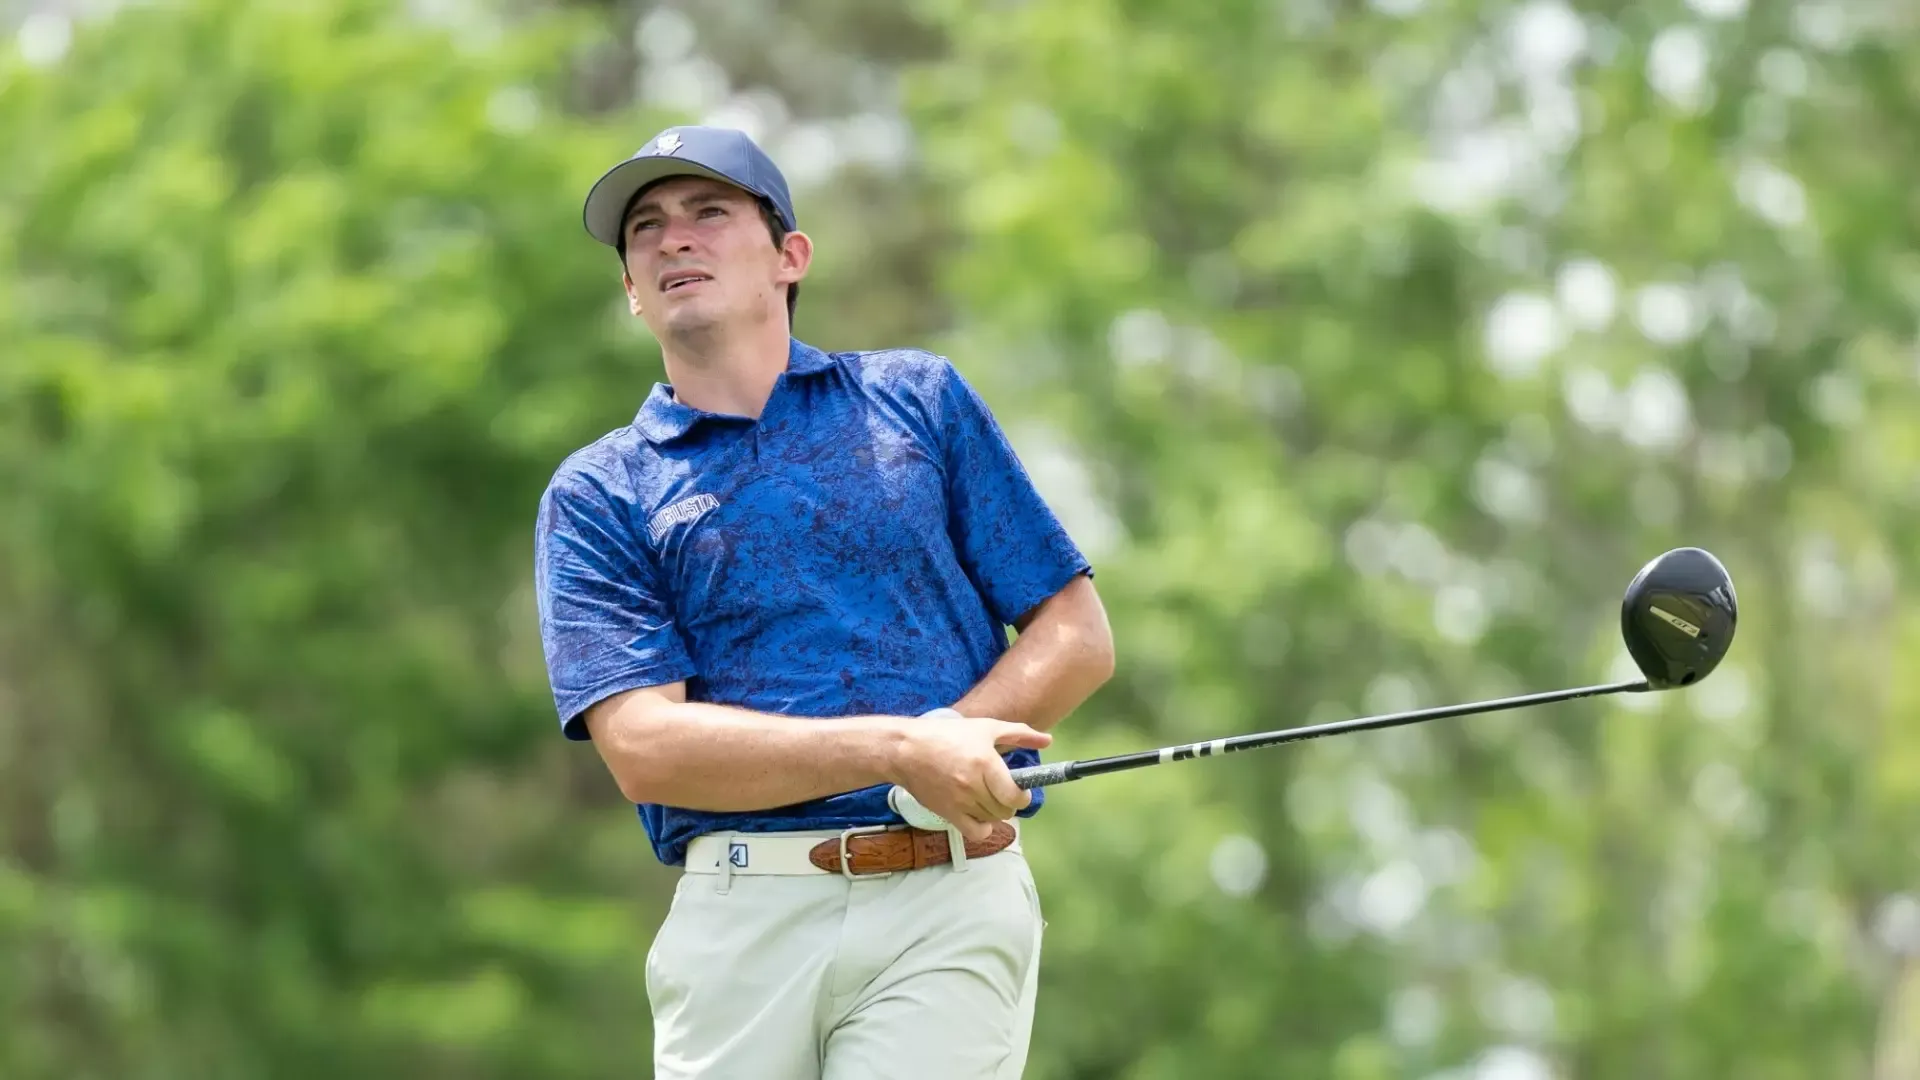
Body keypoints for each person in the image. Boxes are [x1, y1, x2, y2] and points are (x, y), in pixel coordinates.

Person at [532, 124, 1115, 1079]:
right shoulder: (601, 492)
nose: (674, 238)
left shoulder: (918, 401)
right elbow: (644, 749)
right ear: (632, 290)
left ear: (790, 257)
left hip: (944, 900)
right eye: (646, 228)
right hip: (738, 919)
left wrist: (945, 754)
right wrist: (900, 752)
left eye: (710, 212)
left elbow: (1076, 633)